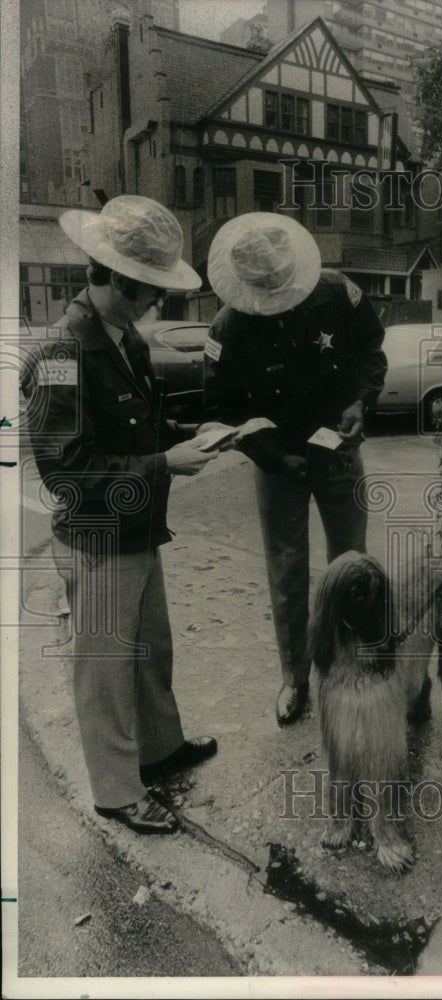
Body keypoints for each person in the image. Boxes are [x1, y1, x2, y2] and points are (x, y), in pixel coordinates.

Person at [22, 195, 234, 834]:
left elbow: (139, 426)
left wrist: (196, 433)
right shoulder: (62, 353)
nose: (156, 304)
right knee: (107, 667)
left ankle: (159, 750)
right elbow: (69, 472)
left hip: (136, 526)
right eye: (149, 290)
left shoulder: (122, 338)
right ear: (111, 276)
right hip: (98, 533)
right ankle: (116, 790)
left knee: (150, 650)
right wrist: (165, 462)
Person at [203, 213, 387, 725]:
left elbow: (373, 348)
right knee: (286, 572)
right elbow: (222, 408)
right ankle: (295, 678)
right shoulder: (228, 326)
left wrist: (360, 403)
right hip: (278, 462)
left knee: (351, 564)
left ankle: (354, 663)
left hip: (338, 450)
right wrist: (270, 456)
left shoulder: (338, 292)